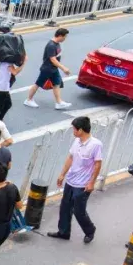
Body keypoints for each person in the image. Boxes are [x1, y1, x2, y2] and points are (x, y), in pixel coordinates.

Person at [48, 116, 103, 244]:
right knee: (65, 207)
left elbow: (98, 164)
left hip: (83, 185)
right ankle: (63, 232)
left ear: (81, 130)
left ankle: (90, 230)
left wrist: (91, 182)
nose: (73, 131)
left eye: (74, 129)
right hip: (71, 181)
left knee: (79, 211)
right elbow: (70, 158)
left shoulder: (95, 145)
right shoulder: (77, 141)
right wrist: (62, 174)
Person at [24, 28, 72, 109]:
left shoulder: (57, 44)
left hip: (54, 69)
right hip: (47, 69)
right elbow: (52, 59)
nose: (65, 39)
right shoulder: (51, 45)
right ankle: (28, 100)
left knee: (57, 84)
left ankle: (59, 102)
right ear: (60, 36)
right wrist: (63, 68)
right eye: (64, 37)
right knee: (38, 84)